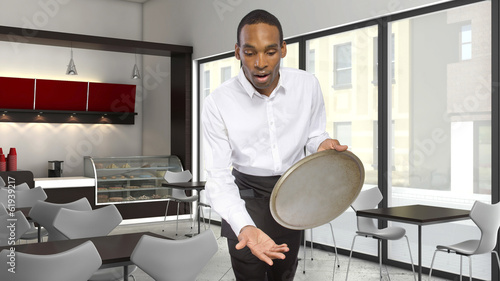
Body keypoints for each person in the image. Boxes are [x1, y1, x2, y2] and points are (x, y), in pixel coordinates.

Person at [202, 9, 348, 281]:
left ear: (283, 49)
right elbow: (218, 176)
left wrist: (322, 144)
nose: (260, 63)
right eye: (250, 52)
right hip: (244, 197)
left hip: (292, 195)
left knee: (284, 274)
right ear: (237, 52)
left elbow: (314, 134)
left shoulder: (307, 86)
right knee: (251, 275)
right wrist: (244, 226)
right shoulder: (217, 103)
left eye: (270, 52)